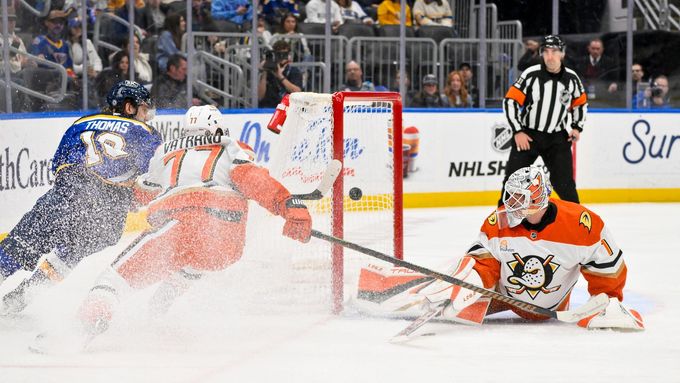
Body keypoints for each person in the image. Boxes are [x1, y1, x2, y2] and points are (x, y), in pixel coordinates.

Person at [76, 105, 313, 338]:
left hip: (184, 222)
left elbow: (143, 192)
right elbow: (252, 179)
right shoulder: (233, 147)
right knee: (192, 264)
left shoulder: (166, 151)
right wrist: (289, 206)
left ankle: (82, 326)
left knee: (115, 279)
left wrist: (106, 203)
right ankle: (157, 311)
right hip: (228, 240)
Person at [355, 165, 644, 331]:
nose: (511, 204)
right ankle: (375, 288)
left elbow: (608, 269)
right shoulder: (499, 221)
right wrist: (470, 285)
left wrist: (606, 300)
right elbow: (483, 262)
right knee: (447, 279)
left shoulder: (582, 224)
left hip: (548, 308)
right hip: (502, 295)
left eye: (519, 199)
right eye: (511, 197)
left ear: (539, 199)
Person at [0, 80, 162, 314]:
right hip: (107, 217)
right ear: (129, 107)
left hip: (65, 198)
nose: (146, 116)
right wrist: (128, 198)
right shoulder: (147, 133)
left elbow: (59, 166)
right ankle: (22, 297)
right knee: (70, 253)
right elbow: (151, 177)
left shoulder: (81, 123)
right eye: (144, 109)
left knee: (20, 243)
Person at [500, 35, 586, 205]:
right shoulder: (531, 74)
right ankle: (504, 221)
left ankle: (578, 223)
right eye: (545, 52)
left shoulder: (571, 78)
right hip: (529, 136)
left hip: (557, 138)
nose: (550, 56)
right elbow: (510, 101)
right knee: (513, 181)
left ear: (562, 54)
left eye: (554, 51)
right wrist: (518, 131)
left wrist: (577, 127)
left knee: (565, 185)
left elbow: (580, 103)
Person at [258, 40, 303, 108]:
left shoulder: (294, 71)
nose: (281, 57)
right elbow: (260, 96)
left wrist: (280, 76)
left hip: (288, 108)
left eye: (284, 54)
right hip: (268, 108)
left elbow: (297, 92)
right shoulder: (268, 71)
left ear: (288, 55)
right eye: (278, 54)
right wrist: (264, 73)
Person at [576, 39, 619, 105]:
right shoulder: (581, 62)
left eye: (598, 49)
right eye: (593, 48)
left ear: (602, 49)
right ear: (588, 48)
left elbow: (614, 79)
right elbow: (578, 78)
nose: (595, 51)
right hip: (584, 96)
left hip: (603, 96)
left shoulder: (610, 62)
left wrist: (613, 84)